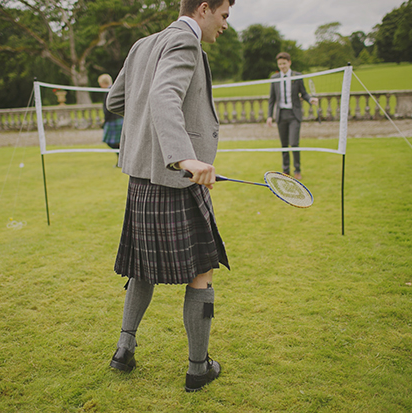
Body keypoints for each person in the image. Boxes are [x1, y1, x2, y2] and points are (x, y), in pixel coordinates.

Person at [105, 0, 234, 392]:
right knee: (202, 269)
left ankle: (123, 350)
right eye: (225, 16)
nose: (226, 25)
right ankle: (198, 368)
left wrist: (147, 128)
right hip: (176, 178)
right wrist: (184, 157)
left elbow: (115, 101)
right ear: (204, 8)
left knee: (141, 267)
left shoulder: (143, 44)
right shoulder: (185, 43)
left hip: (141, 179)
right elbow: (163, 97)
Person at [266, 52, 318, 180]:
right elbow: (271, 99)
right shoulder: (275, 78)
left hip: (294, 115)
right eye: (280, 64)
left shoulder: (297, 76)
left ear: (289, 63)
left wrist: (310, 99)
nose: (282, 66)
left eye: (284, 63)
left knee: (294, 143)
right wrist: (269, 116)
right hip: (281, 115)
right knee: (284, 145)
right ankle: (286, 171)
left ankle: (297, 170)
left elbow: (304, 93)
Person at [98, 73, 123, 165]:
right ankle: (120, 160)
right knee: (117, 142)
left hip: (113, 120)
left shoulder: (109, 91)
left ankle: (121, 159)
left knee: (112, 142)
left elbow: (108, 107)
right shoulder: (114, 89)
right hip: (118, 118)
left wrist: (105, 120)